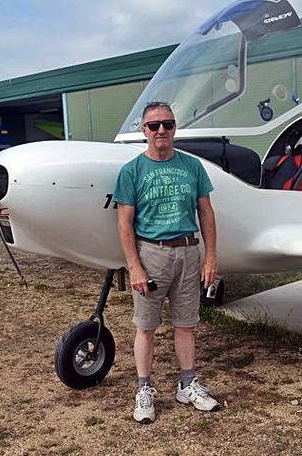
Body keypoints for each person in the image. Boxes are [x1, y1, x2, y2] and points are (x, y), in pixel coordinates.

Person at [113, 101, 220, 424]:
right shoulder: (131, 171)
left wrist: (210, 257)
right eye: (154, 125)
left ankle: (188, 384)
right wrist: (134, 265)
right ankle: (144, 389)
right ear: (143, 130)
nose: (161, 130)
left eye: (168, 124)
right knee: (146, 327)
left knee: (186, 324)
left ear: (175, 128)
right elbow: (124, 223)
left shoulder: (192, 167)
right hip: (152, 253)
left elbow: (206, 213)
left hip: (188, 252)